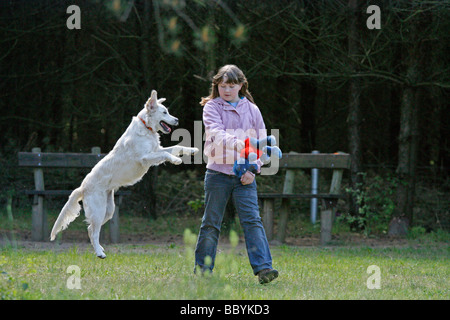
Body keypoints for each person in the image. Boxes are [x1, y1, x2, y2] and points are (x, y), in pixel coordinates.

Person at [194, 64, 278, 284]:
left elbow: (260, 142)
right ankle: (203, 269)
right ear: (217, 86)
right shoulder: (211, 107)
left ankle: (264, 269)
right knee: (211, 222)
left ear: (241, 85)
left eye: (231, 86)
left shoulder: (253, 110)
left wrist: (253, 169)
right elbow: (217, 134)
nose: (227, 90)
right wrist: (241, 145)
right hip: (217, 174)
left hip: (245, 177)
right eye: (222, 86)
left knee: (252, 221)